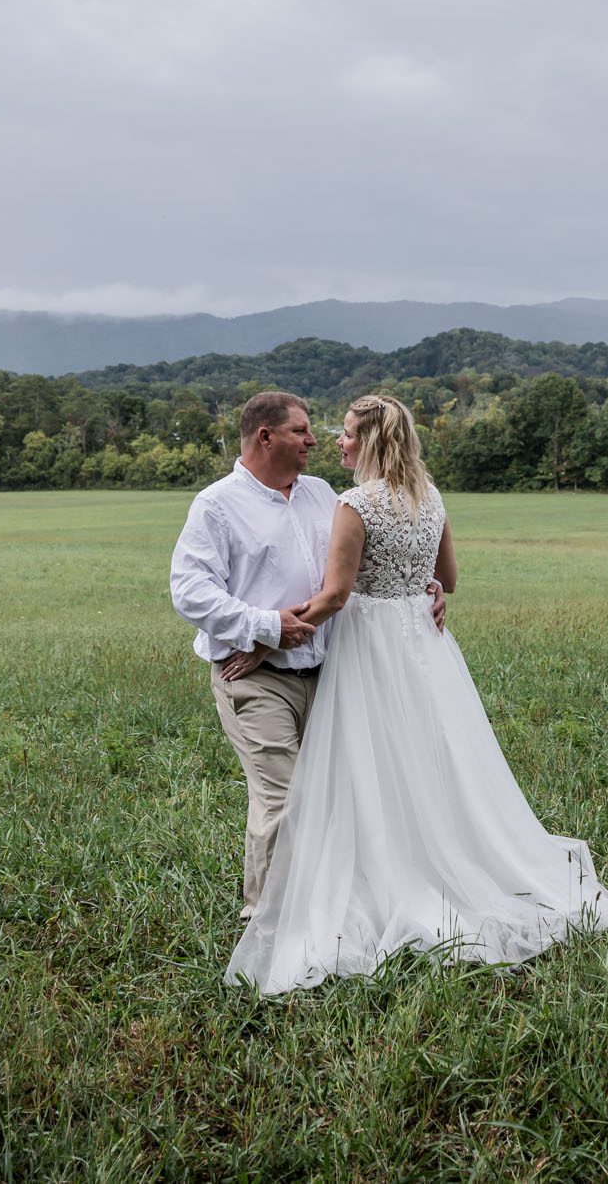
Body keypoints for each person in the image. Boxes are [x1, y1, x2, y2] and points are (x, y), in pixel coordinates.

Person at [225, 394, 608, 994]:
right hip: (423, 644)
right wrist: (427, 590)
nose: (336, 443)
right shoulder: (430, 497)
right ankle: (436, 860)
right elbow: (452, 579)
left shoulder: (354, 504)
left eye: (345, 434)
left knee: (371, 763)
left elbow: (336, 596)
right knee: (430, 760)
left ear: (369, 442)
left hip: (368, 646)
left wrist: (266, 638)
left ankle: (385, 876)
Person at [169, 391, 442, 921]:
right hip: (254, 675)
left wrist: (422, 586)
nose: (314, 441)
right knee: (285, 795)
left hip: (333, 672)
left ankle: (338, 906)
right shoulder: (217, 505)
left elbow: (356, 572)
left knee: (339, 790)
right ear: (265, 437)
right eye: (301, 431)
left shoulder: (323, 495)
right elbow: (190, 591)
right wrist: (264, 630)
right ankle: (268, 920)